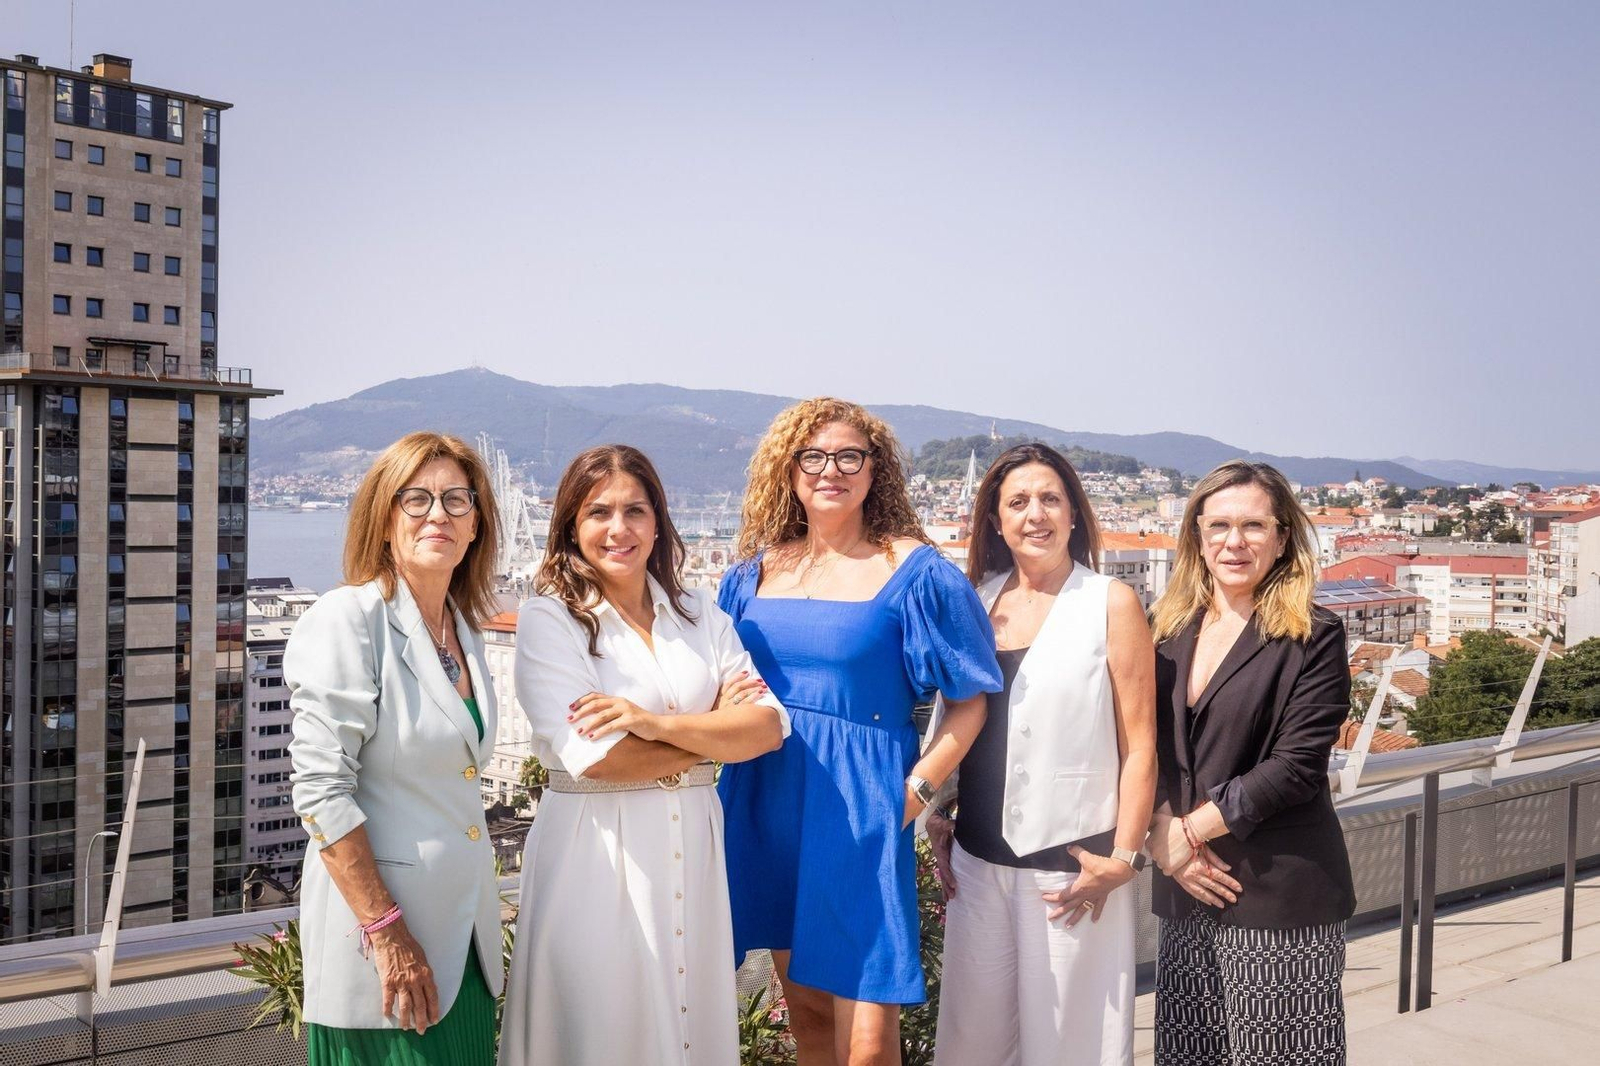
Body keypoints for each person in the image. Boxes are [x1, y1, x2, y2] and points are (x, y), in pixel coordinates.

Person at [717, 397, 1002, 1066]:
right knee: (810, 1016)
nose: (830, 470)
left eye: (850, 456)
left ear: (876, 471)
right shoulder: (749, 576)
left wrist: (916, 795)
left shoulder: (917, 574)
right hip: (765, 799)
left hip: (863, 808)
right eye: (812, 457)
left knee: (870, 1044)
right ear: (787, 471)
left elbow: (970, 703)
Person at [497, 444, 789, 1066]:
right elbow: (599, 758)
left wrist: (657, 724)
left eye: (635, 510)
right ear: (572, 526)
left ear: (658, 521)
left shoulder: (699, 614)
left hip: (695, 857)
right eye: (598, 512)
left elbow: (766, 727)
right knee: (603, 1030)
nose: (618, 529)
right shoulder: (552, 621)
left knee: (691, 1026)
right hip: (595, 856)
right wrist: (713, 732)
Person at [927, 443, 1156, 1066]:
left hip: (1074, 870)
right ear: (996, 521)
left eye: (1051, 499)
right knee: (972, 1046)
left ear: (1074, 514)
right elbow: (960, 722)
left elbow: (1140, 744)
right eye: (1018, 502)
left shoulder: (1111, 602)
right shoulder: (976, 599)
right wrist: (939, 817)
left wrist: (1126, 857)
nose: (1036, 514)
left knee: (1073, 1047)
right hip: (977, 864)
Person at [287, 431, 504, 1065]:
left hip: (463, 945)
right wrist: (387, 933)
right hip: (385, 949)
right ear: (384, 521)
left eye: (457, 501)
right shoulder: (348, 618)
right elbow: (322, 793)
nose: (438, 514)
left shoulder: (464, 632)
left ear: (476, 528)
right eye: (417, 499)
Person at [1145, 460, 1355, 1065]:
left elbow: (1295, 765)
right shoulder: (1166, 629)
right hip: (1185, 888)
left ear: (1283, 536)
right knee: (1189, 1057)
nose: (1233, 542)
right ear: (1197, 536)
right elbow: (1141, 743)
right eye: (1219, 526)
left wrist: (1184, 833)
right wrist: (1163, 837)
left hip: (1278, 892)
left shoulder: (1314, 635)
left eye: (1253, 526)